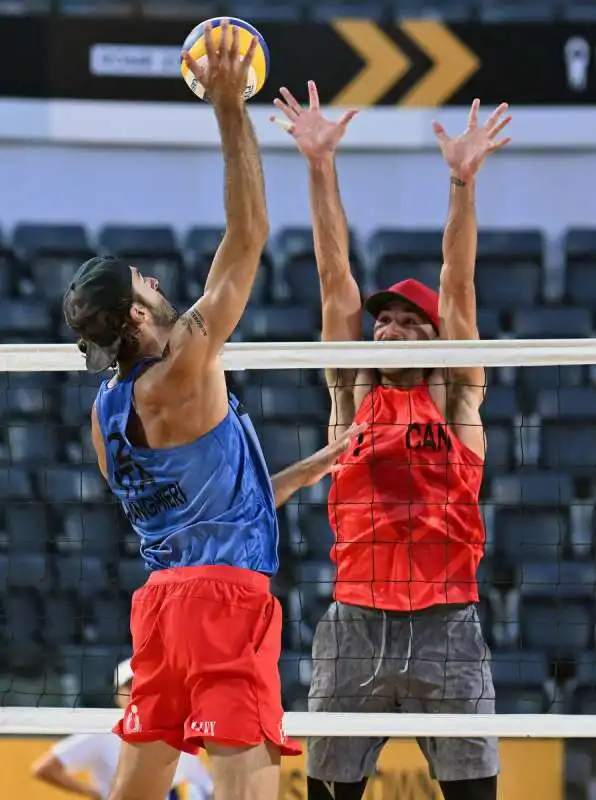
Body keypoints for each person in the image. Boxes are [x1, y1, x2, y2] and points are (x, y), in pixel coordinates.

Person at [62, 24, 362, 800]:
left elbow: (197, 508)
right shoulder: (184, 362)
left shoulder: (106, 413)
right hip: (226, 602)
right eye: (144, 283)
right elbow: (250, 233)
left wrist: (304, 471)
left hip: (160, 608)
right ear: (134, 317)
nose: (159, 283)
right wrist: (230, 107)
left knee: (137, 789)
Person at [272, 82, 512, 800]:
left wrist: (461, 184)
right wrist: (319, 166)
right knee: (325, 791)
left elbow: (458, 283)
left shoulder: (455, 394)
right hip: (355, 621)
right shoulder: (353, 394)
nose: (390, 330)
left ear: (437, 341)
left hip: (448, 622)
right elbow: (332, 273)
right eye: (385, 322)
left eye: (410, 324)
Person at [32, 658, 213, 800]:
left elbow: (207, 789)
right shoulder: (100, 732)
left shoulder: (178, 732)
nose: (138, 691)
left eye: (144, 684)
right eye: (130, 684)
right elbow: (45, 768)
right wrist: (94, 793)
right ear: (117, 693)